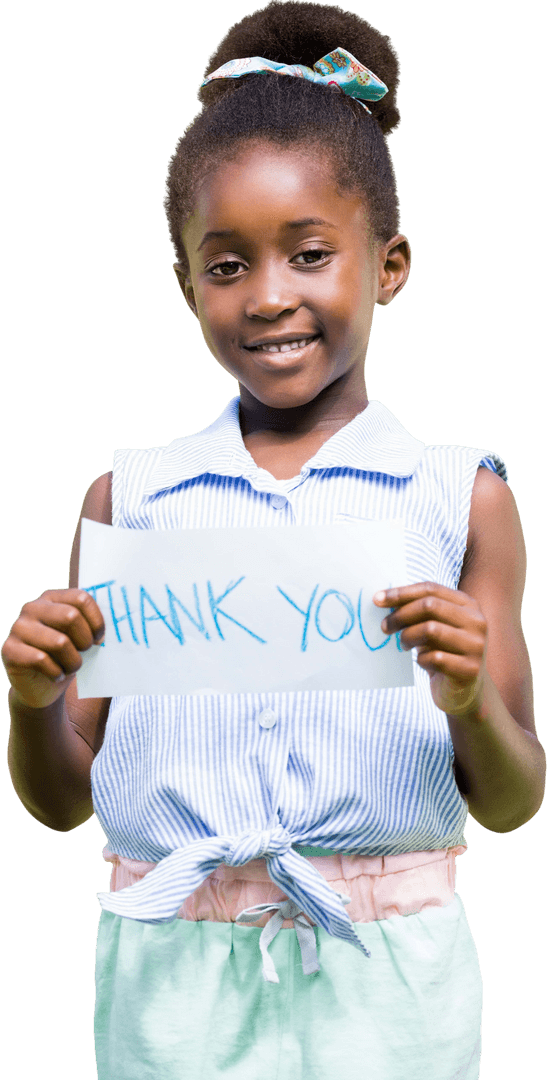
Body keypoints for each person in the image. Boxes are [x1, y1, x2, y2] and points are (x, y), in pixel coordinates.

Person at [3, 2, 545, 1077]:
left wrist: (467, 692)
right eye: (225, 266)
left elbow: (516, 795)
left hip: (389, 980)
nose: (270, 298)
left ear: (387, 265)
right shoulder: (131, 501)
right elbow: (65, 797)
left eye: (308, 253)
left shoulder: (456, 496)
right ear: (182, 285)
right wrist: (29, 705)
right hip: (170, 974)